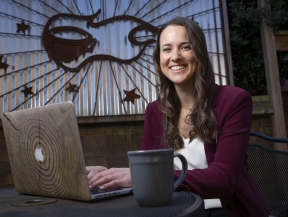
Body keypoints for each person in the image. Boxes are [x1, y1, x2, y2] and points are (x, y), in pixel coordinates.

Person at [86, 17, 269, 217]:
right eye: (167, 49)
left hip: (225, 210)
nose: (175, 56)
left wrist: (154, 177)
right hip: (176, 210)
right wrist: (106, 174)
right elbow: (144, 171)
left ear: (199, 53)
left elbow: (223, 179)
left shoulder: (234, 100)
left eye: (185, 47)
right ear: (159, 59)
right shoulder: (155, 110)